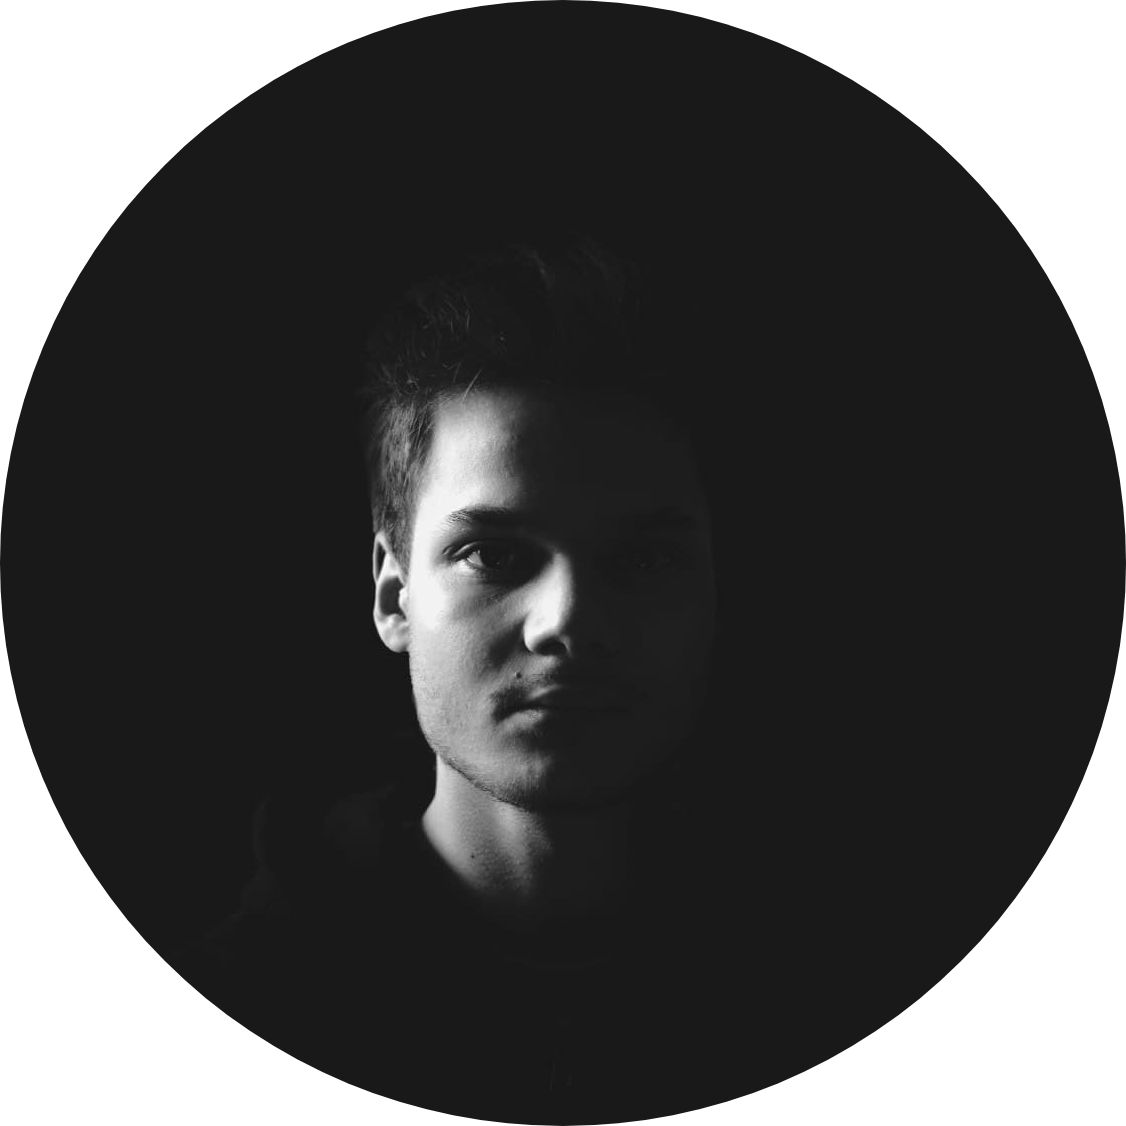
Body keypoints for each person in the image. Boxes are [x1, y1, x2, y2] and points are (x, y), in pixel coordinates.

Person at [167, 231, 750, 1121]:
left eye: (642, 559)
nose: (565, 621)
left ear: (717, 591)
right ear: (392, 595)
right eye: (493, 553)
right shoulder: (243, 991)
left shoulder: (837, 977)